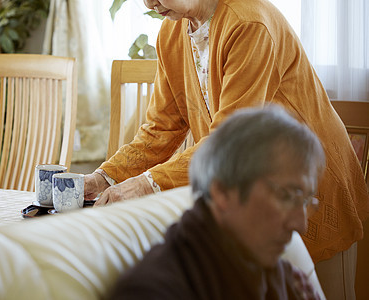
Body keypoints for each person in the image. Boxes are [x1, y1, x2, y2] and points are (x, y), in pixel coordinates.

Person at [84, 0, 369, 298]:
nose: (149, 2)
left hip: (310, 186)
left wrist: (147, 183)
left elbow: (228, 142)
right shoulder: (171, 35)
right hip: (257, 200)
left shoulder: (249, 23)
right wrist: (104, 177)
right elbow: (160, 128)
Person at [107, 105, 325, 299]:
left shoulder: (290, 280)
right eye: (287, 196)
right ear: (222, 192)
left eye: (305, 202)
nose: (300, 225)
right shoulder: (153, 290)